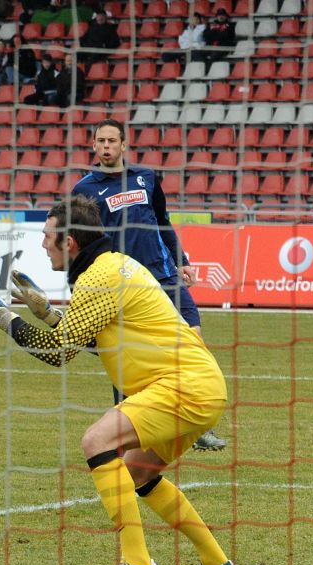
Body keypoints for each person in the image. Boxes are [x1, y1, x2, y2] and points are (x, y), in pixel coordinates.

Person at [0, 195, 238, 565]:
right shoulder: (111, 266)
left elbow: (59, 353)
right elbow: (93, 343)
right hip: (201, 387)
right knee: (138, 473)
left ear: (69, 241)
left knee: (96, 441)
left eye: (46, 237)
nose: (42, 245)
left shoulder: (98, 278)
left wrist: (2, 316)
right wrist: (49, 313)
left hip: (182, 387)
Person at [72, 118, 227, 451]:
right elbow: (82, 241)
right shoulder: (84, 189)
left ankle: (195, 426)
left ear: (124, 145)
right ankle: (125, 429)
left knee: (193, 342)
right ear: (94, 145)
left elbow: (163, 222)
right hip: (123, 285)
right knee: (126, 357)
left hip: (163, 274)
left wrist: (181, 259)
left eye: (113, 141)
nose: (107, 146)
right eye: (101, 141)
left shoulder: (146, 178)